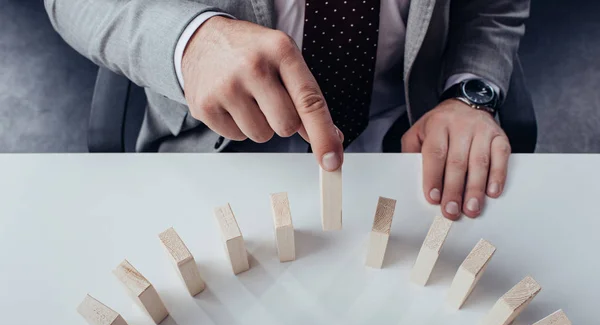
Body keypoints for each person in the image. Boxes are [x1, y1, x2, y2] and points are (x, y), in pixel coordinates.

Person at [44, 0, 530, 220]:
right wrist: (190, 42)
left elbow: (492, 8)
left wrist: (468, 96)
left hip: (408, 146)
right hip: (217, 154)